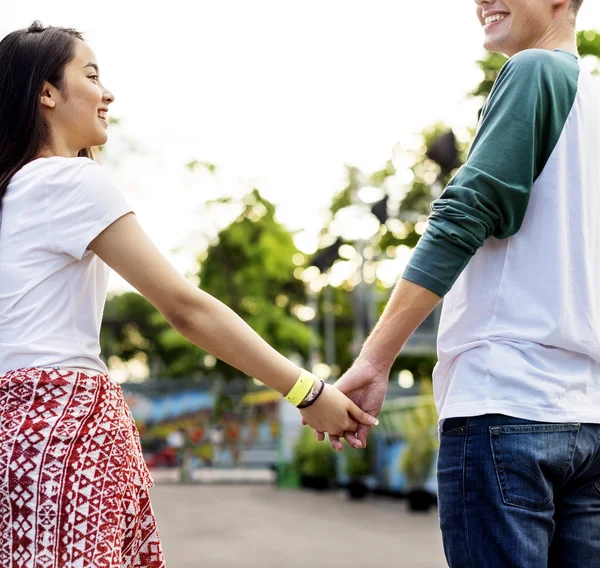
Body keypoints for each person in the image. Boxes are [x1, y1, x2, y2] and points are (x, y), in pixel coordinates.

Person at [0, 22, 379, 568]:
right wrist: (308, 392)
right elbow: (185, 308)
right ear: (47, 92)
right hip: (66, 434)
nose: (107, 94)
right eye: (91, 75)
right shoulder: (68, 182)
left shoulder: (9, 191)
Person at [315, 0, 600, 566]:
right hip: (588, 420)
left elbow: (463, 216)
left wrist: (374, 360)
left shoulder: (534, 71)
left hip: (507, 404)